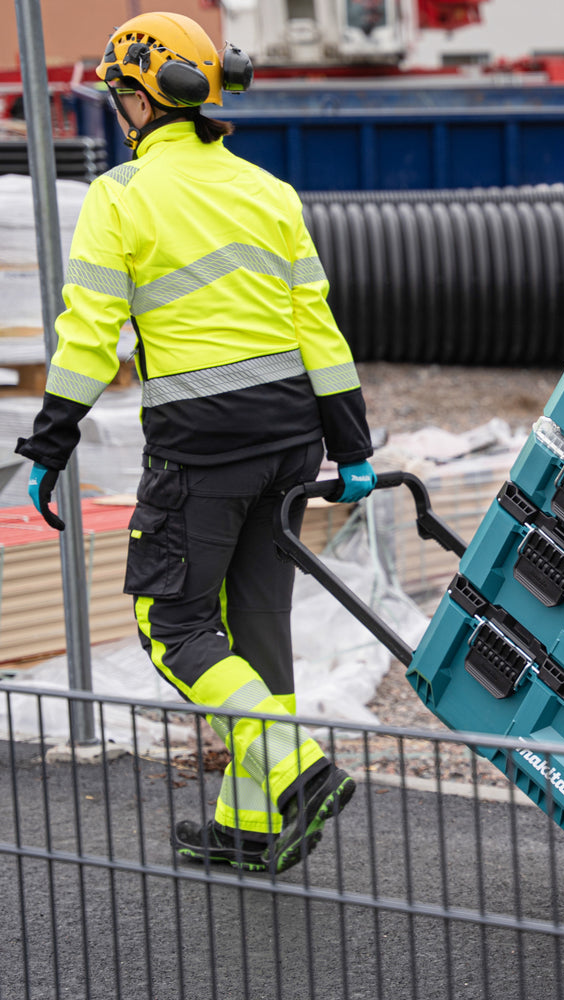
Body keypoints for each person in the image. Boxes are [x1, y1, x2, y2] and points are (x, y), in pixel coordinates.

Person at [15, 11, 377, 874]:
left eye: (119, 95)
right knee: (255, 624)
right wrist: (353, 446)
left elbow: (89, 337)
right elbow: (317, 328)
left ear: (143, 99)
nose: (117, 110)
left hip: (203, 447)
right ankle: (251, 823)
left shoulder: (121, 196)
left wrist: (50, 444)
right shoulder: (270, 192)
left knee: (172, 621)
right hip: (292, 440)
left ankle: (295, 771)